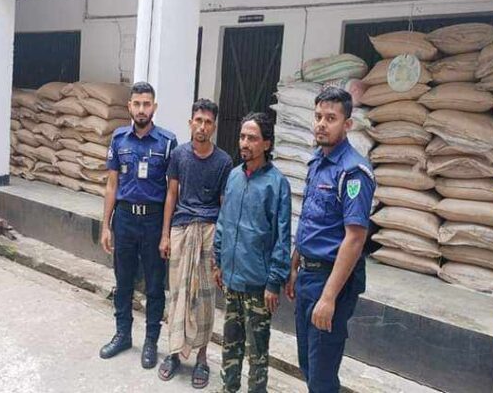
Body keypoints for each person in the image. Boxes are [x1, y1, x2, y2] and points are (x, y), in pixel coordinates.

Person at [286, 87, 376, 393]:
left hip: (331, 280)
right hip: (308, 275)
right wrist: (295, 263)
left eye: (331, 118)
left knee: (322, 375)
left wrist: (328, 298)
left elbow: (355, 238)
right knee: (308, 364)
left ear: (347, 124)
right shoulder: (317, 162)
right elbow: (310, 219)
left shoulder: (353, 172)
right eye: (318, 117)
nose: (321, 124)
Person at [99, 81, 178, 369]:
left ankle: (151, 341)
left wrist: (166, 233)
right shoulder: (119, 139)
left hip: (154, 221)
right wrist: (105, 225)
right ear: (129, 107)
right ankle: (122, 335)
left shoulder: (167, 142)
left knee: (155, 285)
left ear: (154, 107)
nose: (142, 109)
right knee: (123, 281)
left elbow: (172, 192)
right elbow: (111, 185)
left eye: (146, 104)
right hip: (125, 219)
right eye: (137, 104)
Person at [212, 111, 292, 393]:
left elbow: (283, 237)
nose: (244, 143)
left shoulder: (277, 184)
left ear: (266, 144)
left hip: (258, 284)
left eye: (252, 138)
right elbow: (223, 221)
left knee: (257, 352)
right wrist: (218, 261)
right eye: (242, 137)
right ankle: (228, 387)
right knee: (230, 344)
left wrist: (274, 282)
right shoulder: (234, 176)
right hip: (232, 279)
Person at [156, 99, 233, 388]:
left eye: (208, 122)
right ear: (190, 123)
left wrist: (221, 248)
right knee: (177, 294)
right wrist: (165, 234)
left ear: (214, 127)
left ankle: (202, 358)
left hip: (209, 233)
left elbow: (224, 207)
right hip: (181, 229)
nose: (202, 127)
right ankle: (174, 353)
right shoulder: (179, 155)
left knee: (204, 298)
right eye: (198, 121)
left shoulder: (224, 162)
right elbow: (171, 195)